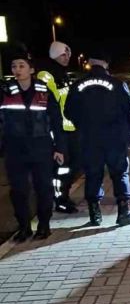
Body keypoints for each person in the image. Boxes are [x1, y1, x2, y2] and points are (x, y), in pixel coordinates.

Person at [64, 51, 130, 227]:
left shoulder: (77, 85)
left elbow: (68, 111)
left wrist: (82, 125)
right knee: (120, 173)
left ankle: (94, 215)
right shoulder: (118, 84)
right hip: (115, 138)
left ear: (90, 64)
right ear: (106, 64)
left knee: (93, 175)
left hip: (89, 139)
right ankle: (124, 213)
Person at [0, 50, 66, 241]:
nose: (17, 70)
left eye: (21, 66)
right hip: (15, 150)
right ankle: (24, 227)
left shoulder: (44, 91)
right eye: (14, 66)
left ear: (31, 69)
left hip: (41, 147)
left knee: (43, 188)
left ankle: (44, 225)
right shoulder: (5, 91)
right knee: (19, 191)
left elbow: (56, 121)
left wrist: (59, 148)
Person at [37, 41, 81, 214]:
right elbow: (48, 104)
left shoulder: (62, 73)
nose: (67, 57)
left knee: (74, 165)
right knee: (61, 168)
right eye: (64, 54)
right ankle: (60, 199)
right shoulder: (46, 74)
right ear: (55, 55)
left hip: (70, 128)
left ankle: (64, 195)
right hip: (58, 129)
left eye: (68, 54)